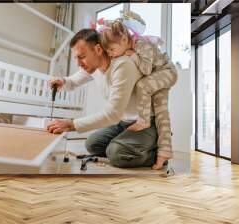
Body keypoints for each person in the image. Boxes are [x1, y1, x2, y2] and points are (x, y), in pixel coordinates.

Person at [47, 29, 158, 168]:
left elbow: (113, 114)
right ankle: (126, 144)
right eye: (76, 58)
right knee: (92, 144)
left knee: (117, 154)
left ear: (98, 49)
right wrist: (62, 81)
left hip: (146, 123)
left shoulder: (123, 65)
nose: (78, 63)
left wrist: (71, 124)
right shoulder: (95, 67)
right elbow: (73, 82)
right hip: (123, 122)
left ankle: (155, 152)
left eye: (81, 57)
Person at [97, 12, 178, 169]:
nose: (111, 54)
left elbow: (147, 69)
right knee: (161, 112)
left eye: (112, 50)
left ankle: (144, 121)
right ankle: (163, 153)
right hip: (158, 73)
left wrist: (133, 55)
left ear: (124, 39)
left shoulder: (142, 44)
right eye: (108, 52)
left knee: (145, 89)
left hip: (167, 71)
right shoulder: (126, 43)